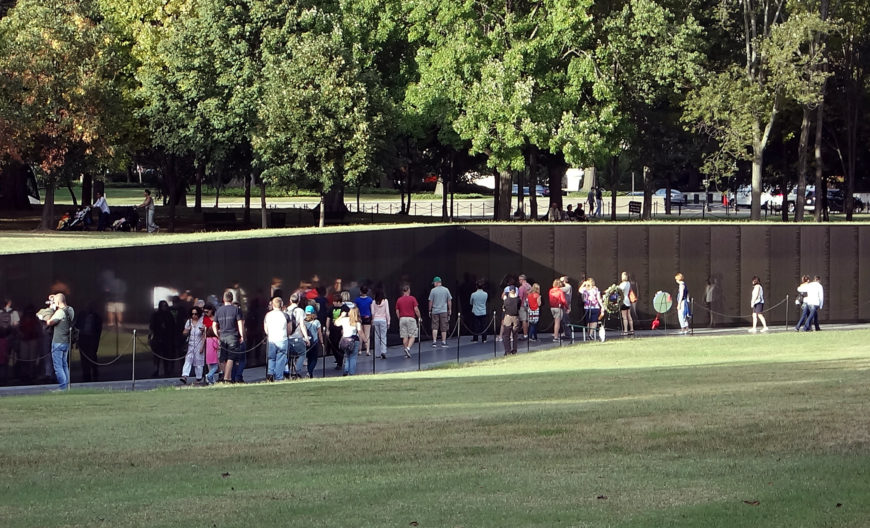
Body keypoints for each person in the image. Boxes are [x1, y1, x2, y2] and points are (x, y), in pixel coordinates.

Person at [214, 291, 245, 383]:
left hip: (223, 335)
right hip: (233, 335)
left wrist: (217, 335)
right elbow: (240, 324)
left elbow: (214, 324)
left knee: (223, 358)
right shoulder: (236, 309)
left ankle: (226, 375)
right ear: (232, 299)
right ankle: (227, 378)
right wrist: (242, 335)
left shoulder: (219, 310)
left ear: (223, 299)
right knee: (231, 357)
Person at [45, 293, 74, 391]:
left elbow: (49, 322)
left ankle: (63, 387)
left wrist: (50, 309)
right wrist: (54, 297)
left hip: (58, 342)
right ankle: (67, 387)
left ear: (58, 302)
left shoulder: (59, 312)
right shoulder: (70, 309)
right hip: (66, 342)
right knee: (64, 364)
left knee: (58, 366)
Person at [263, 297, 290, 382]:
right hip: (282, 339)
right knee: (281, 358)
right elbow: (289, 329)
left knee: (271, 357)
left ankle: (270, 374)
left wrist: (270, 334)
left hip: (272, 339)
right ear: (281, 305)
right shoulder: (285, 315)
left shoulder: (268, 315)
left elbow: (266, 329)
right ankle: (278, 377)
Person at [285, 293, 310, 380]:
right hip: (297, 336)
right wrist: (306, 337)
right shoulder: (300, 311)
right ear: (298, 301)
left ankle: (287, 371)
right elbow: (302, 325)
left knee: (288, 355)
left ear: (290, 300)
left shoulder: (285, 310)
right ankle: (297, 372)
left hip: (288, 337)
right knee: (302, 354)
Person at [76, 302, 102, 382]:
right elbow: (77, 325)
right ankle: (85, 374)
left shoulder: (96, 317)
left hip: (92, 338)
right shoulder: (81, 315)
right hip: (83, 338)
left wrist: (96, 340)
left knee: (92, 356)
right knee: (83, 357)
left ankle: (94, 372)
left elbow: (98, 330)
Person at [180, 307, 206, 384]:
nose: (194, 315)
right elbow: (184, 332)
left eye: (196, 314)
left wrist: (202, 346)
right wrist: (188, 329)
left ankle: (199, 378)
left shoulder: (202, 321)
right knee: (188, 359)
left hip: (199, 344)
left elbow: (204, 335)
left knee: (198, 362)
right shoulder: (189, 321)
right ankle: (184, 375)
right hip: (191, 344)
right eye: (192, 314)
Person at [396, 285, 420, 358]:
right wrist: (419, 317)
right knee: (413, 335)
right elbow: (416, 309)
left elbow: (397, 311)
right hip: (411, 318)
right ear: (408, 290)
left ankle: (406, 352)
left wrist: (399, 318)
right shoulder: (412, 298)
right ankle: (408, 348)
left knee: (404, 336)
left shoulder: (399, 300)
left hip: (402, 318)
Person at [428, 276, 452, 348]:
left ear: (437, 282)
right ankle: (443, 342)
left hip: (435, 311)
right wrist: (450, 309)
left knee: (435, 327)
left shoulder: (433, 291)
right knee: (444, 326)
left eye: (434, 283)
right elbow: (449, 300)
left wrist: (429, 310)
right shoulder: (446, 290)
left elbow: (430, 301)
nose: (433, 284)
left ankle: (434, 342)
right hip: (444, 310)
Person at [337, 307, 362, 376]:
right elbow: (360, 332)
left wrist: (341, 316)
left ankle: (346, 370)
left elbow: (336, 323)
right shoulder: (357, 322)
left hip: (345, 339)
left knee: (347, 356)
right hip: (354, 340)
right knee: (353, 357)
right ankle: (351, 372)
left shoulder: (344, 320)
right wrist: (365, 340)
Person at [303, 305, 324, 378]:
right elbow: (320, 333)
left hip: (306, 342)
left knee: (309, 358)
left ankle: (310, 373)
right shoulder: (316, 322)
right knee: (314, 359)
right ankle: (309, 372)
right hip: (314, 342)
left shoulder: (303, 322)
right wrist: (322, 342)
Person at [371, 287, 390, 359]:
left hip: (376, 320)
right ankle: (383, 351)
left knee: (377, 337)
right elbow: (387, 312)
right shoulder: (385, 301)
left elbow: (372, 313)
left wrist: (372, 320)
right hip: (383, 320)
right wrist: (388, 322)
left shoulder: (373, 302)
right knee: (383, 337)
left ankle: (377, 353)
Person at [354, 286, 374, 356]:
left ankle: (359, 350)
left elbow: (355, 309)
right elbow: (372, 310)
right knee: (367, 334)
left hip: (359, 317)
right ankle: (367, 350)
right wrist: (372, 318)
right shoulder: (370, 300)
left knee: (360, 334)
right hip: (367, 317)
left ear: (360, 291)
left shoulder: (357, 300)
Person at [501, 286, 521, 355]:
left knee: (506, 335)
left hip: (508, 317)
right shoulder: (518, 300)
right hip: (516, 318)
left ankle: (507, 350)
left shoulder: (506, 300)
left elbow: (504, 308)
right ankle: (514, 350)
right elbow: (518, 307)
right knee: (515, 335)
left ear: (509, 291)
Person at [203, 306, 220, 385]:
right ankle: (210, 377)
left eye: (207, 312)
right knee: (210, 361)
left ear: (211, 311)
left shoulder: (217, 317)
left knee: (217, 361)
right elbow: (204, 332)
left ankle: (210, 376)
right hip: (209, 340)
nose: (206, 313)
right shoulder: (205, 319)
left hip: (217, 339)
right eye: (205, 312)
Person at [517, 274, 531, 340]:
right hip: (529, 305)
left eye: (520, 279)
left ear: (523, 280)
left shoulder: (521, 287)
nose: (519, 281)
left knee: (523, 320)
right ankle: (528, 334)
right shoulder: (530, 286)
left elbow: (520, 297)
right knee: (528, 320)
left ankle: (525, 335)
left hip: (522, 305)